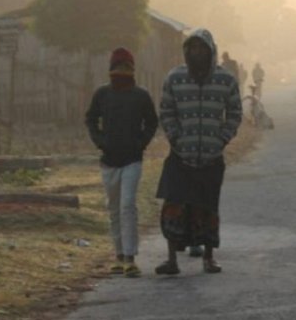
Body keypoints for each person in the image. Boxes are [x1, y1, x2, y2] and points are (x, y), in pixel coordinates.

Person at [155, 29, 243, 275]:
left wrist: (222, 139)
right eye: (192, 49)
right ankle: (172, 259)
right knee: (174, 206)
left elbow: (235, 113)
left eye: (202, 49)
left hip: (212, 159)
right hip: (180, 156)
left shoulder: (225, 80)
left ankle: (209, 258)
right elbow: (166, 111)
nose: (197, 53)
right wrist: (175, 138)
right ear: (186, 52)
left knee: (208, 208)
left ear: (211, 51)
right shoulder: (175, 78)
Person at [85, 47, 158, 278]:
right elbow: (90, 119)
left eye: (126, 67)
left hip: (132, 160)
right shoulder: (102, 94)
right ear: (111, 69)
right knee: (113, 209)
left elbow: (152, 122)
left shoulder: (141, 95)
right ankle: (118, 256)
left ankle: (130, 257)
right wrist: (99, 141)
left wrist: (141, 143)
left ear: (132, 69)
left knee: (127, 206)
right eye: (118, 67)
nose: (122, 71)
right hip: (108, 160)